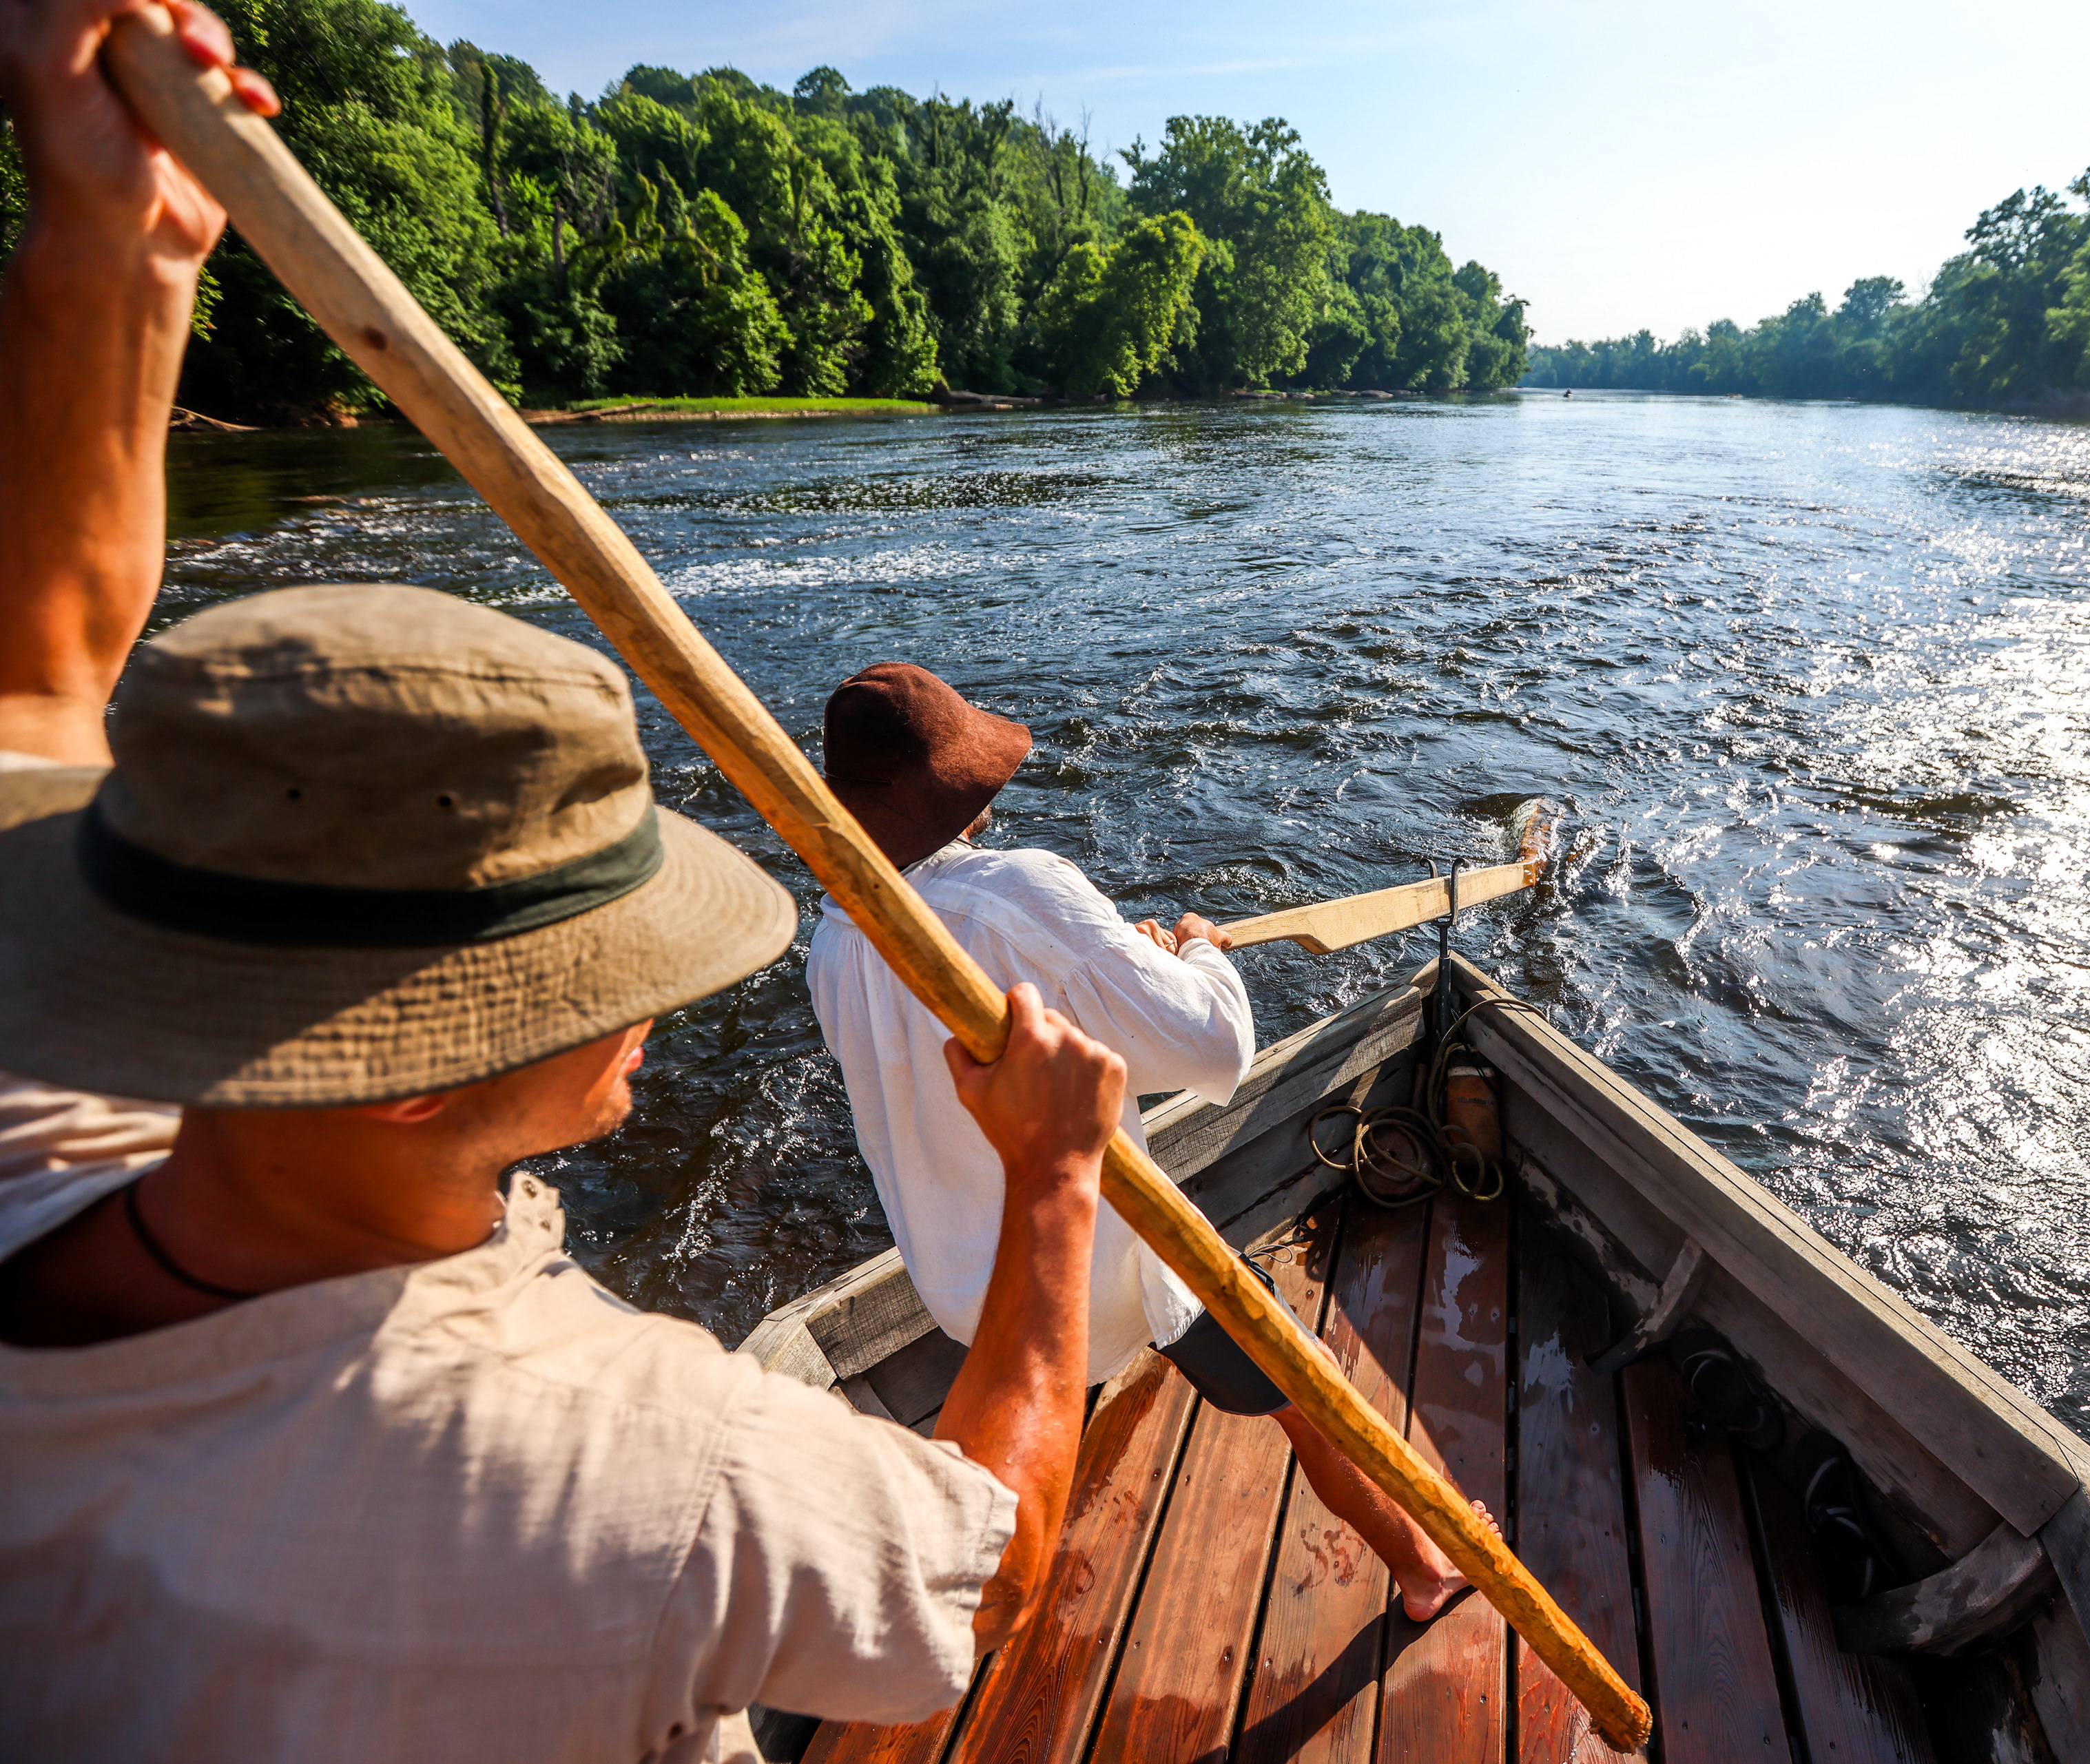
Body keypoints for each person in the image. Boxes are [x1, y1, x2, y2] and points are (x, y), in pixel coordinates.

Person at [0, 3, 1121, 1756]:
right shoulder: (645, 1476)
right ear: (419, 1070)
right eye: (590, 956)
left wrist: (115, 238)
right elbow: (988, 1577)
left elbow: (43, 670)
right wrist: (1055, 1187)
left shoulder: (44, 1118)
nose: (657, 988)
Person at [806, 663, 1490, 1623]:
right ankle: (1425, 1566)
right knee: (1305, 1385)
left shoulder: (834, 939)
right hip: (1103, 1276)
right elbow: (1215, 1046)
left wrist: (1119, 969)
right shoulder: (1020, 895)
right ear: (955, 792)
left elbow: (990, 1048)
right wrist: (1198, 947)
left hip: (968, 1298)